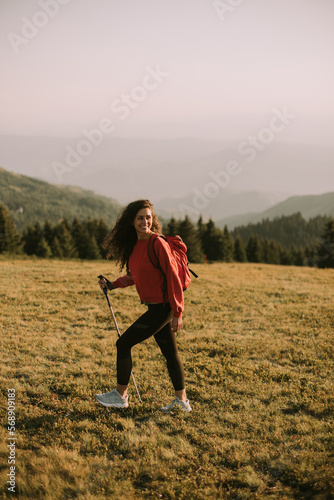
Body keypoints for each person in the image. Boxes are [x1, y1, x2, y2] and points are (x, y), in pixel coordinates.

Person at [96, 199, 192, 413]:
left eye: (148, 217)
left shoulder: (157, 243)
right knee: (169, 352)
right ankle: (182, 402)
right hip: (155, 307)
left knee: (123, 344)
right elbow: (135, 276)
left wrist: (178, 312)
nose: (145, 221)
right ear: (132, 221)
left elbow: (173, 277)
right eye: (140, 218)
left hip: (164, 307)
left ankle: (120, 395)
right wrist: (113, 284)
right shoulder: (135, 247)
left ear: (152, 219)